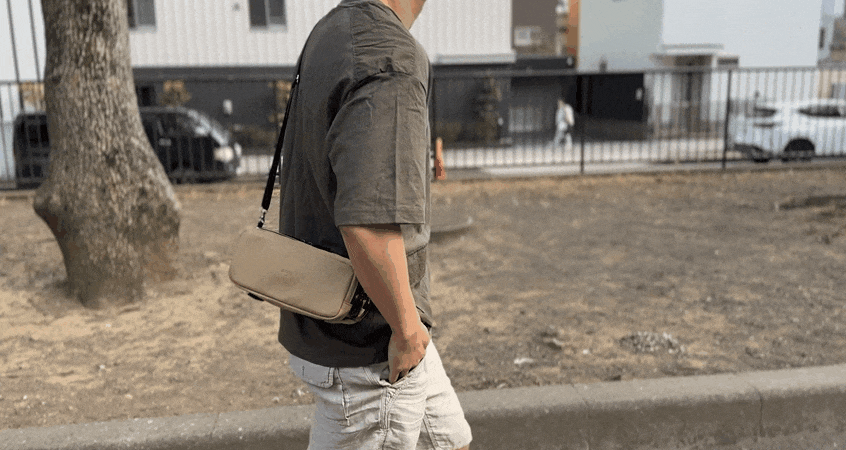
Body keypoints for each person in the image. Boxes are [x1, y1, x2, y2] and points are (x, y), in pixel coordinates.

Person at [276, 0, 472, 448]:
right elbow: (368, 223)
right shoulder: (389, 54)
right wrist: (407, 332)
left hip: (355, 323)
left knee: (449, 440)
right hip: (374, 345)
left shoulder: (332, 31)